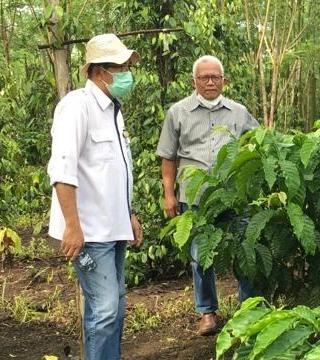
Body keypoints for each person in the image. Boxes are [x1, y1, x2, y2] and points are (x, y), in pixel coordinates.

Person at [47, 33, 143, 359]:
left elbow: (116, 172)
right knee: (104, 311)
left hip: (113, 227)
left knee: (114, 306)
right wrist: (72, 226)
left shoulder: (113, 111)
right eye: (122, 66)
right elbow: (62, 170)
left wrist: (129, 214)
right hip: (88, 233)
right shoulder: (77, 107)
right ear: (100, 71)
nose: (128, 72)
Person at [156, 55, 259, 336]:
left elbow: (258, 145)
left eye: (215, 77)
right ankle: (207, 313)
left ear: (224, 80)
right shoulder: (178, 112)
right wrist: (169, 194)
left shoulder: (239, 112)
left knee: (244, 250)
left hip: (235, 196)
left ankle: (247, 309)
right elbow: (168, 157)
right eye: (204, 77)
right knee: (200, 256)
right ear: (194, 82)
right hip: (195, 196)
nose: (210, 82)